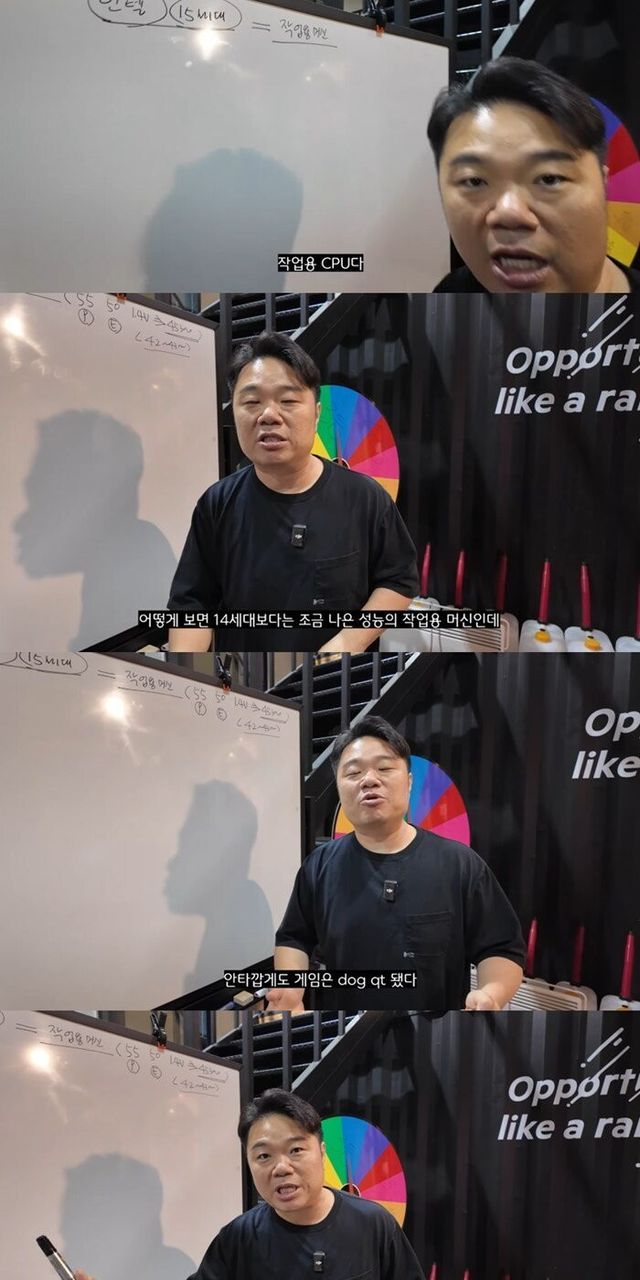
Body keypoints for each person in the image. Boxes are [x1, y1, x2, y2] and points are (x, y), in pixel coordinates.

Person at [167, 332, 419, 653]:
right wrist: (187, 668)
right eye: (252, 402)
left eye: (287, 401)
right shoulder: (216, 504)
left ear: (316, 413)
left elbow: (398, 580)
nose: (269, 415)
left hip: (335, 676)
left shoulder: (365, 497)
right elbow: (192, 606)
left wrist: (347, 642)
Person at [269, 716, 524, 1012]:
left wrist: (492, 994)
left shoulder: (460, 865)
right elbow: (294, 939)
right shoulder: (319, 867)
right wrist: (291, 988)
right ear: (339, 788)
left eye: (384, 768)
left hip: (433, 1034)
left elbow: (501, 947)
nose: (369, 780)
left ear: (409, 782)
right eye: (353, 773)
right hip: (344, 1033)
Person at [74, 1089, 426, 1280]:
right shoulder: (238, 1238)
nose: (281, 1168)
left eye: (296, 1150)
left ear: (321, 1153)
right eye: (263, 1156)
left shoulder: (373, 1224)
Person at [427, 57, 640, 294]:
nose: (509, 214)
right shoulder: (448, 296)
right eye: (474, 181)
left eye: (549, 178)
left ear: (604, 184)